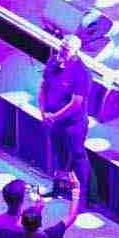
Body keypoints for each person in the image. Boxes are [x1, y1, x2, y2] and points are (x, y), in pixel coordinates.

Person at [38, 34, 92, 179]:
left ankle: (82, 194)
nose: (61, 51)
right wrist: (43, 113)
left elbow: (75, 104)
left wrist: (53, 117)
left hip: (73, 125)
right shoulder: (53, 62)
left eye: (65, 50)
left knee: (77, 156)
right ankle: (59, 188)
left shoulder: (81, 73)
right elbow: (43, 88)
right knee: (59, 155)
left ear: (75, 52)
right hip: (54, 121)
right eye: (61, 47)